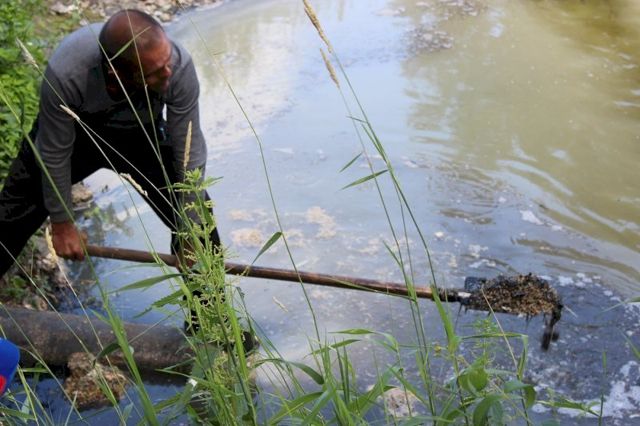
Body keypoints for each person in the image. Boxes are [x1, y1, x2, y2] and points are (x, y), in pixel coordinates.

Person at [0, 9, 219, 278]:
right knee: (9, 218)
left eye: (167, 61)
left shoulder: (177, 66)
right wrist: (62, 222)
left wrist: (191, 231)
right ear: (116, 74)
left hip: (142, 136)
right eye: (154, 72)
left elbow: (189, 151)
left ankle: (207, 304)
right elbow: (54, 153)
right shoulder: (68, 72)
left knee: (201, 230)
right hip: (76, 136)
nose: (168, 72)